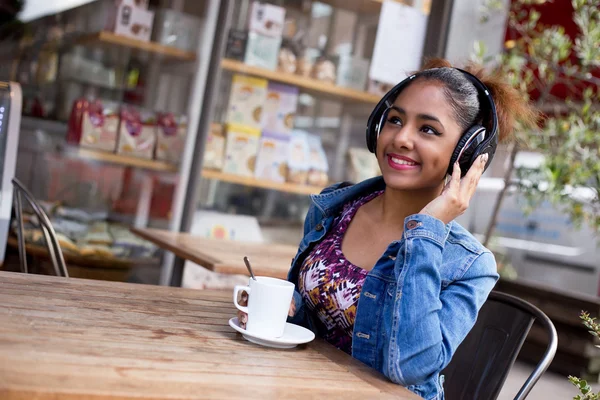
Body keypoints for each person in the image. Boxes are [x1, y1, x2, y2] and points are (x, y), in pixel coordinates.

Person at [238, 58, 539, 400]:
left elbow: (410, 365)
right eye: (395, 120)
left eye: (428, 129)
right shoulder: (334, 207)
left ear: (466, 153)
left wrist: (427, 231)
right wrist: (276, 306)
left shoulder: (469, 265)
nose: (401, 138)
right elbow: (307, 308)